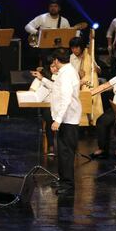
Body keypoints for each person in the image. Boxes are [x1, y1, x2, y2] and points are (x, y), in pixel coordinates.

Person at [42, 48, 81, 195]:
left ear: (57, 61)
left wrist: (58, 120)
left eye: (54, 61)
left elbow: (66, 98)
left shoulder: (66, 74)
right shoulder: (66, 72)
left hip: (67, 119)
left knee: (66, 153)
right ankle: (63, 179)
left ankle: (68, 184)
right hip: (65, 117)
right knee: (62, 151)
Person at [25, 0, 72, 69]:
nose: (53, 8)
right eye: (51, 6)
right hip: (44, 49)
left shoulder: (64, 21)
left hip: (58, 48)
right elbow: (27, 26)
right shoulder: (42, 18)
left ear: (59, 8)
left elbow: (68, 36)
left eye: (55, 6)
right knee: (44, 53)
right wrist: (37, 32)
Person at [69, 36, 103, 126]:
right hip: (77, 83)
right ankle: (82, 124)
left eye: (77, 48)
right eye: (72, 48)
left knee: (91, 100)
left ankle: (93, 123)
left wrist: (94, 65)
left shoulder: (89, 55)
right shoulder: (71, 58)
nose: (74, 50)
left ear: (81, 47)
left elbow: (99, 71)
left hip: (88, 83)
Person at [30, 62, 59, 156]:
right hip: (47, 106)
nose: (54, 68)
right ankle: (51, 145)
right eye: (51, 66)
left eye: (55, 66)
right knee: (49, 118)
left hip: (60, 106)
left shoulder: (62, 77)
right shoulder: (41, 78)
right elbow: (31, 91)